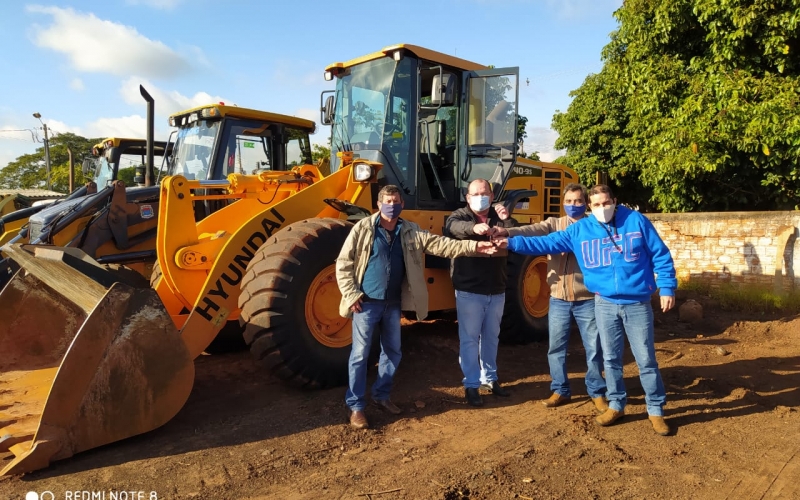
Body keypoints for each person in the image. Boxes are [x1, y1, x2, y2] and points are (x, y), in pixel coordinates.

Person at [495, 184, 677, 436]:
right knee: (611, 359)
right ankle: (616, 404)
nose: (602, 208)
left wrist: (666, 287)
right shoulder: (581, 229)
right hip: (603, 302)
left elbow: (661, 255)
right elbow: (545, 242)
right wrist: (509, 242)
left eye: (606, 203)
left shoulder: (636, 221)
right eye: (597, 205)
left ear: (614, 200)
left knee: (645, 359)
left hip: (636, 303)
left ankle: (655, 410)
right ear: (590, 207)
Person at [336, 184, 497, 429]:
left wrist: (474, 246)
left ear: (402, 203)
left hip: (392, 304)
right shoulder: (363, 228)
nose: (392, 205)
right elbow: (344, 263)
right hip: (366, 303)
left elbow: (441, 245)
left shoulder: (409, 230)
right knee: (360, 355)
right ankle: (356, 406)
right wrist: (351, 294)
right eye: (387, 201)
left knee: (393, 352)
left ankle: (381, 395)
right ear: (379, 204)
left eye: (396, 200)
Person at [493, 183, 607, 413]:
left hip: (587, 299)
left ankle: (597, 392)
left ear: (585, 203)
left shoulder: (594, 227)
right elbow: (531, 230)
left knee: (593, 348)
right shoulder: (555, 224)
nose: (573, 205)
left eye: (577, 201)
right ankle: (560, 389)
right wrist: (508, 231)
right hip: (558, 299)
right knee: (556, 348)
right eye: (569, 201)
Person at [444, 179, 518, 407]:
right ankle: (471, 385)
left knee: (491, 337)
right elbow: (451, 227)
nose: (479, 197)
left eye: (484, 193)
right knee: (469, 339)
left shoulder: (499, 216)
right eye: (475, 193)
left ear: (492, 195)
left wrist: (505, 219)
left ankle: (490, 379)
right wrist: (473, 228)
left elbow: (516, 230)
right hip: (469, 290)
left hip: (497, 288)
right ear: (467, 197)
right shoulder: (460, 216)